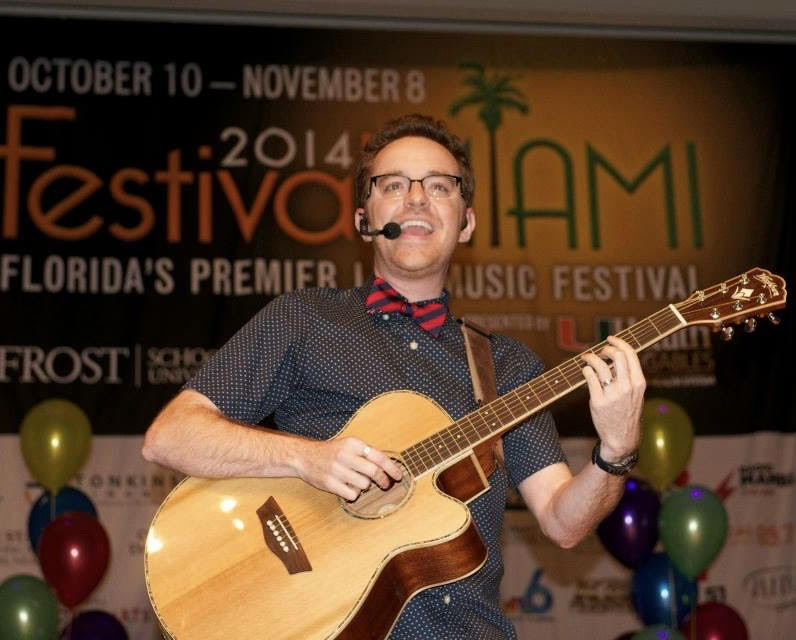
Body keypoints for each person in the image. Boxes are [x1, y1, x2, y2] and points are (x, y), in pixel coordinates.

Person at [142, 113, 645, 639]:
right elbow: (169, 438)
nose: (417, 199)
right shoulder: (304, 318)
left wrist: (615, 451)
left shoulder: (508, 366)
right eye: (394, 185)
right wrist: (306, 457)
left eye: (439, 186)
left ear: (466, 221)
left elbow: (565, 524)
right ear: (364, 219)